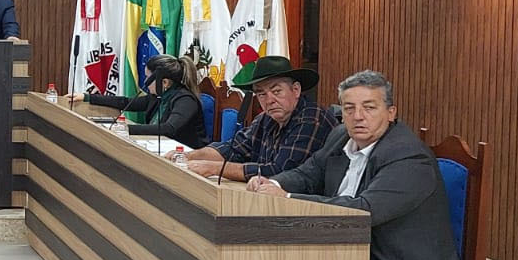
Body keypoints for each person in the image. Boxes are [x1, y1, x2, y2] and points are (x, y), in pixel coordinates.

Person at [246, 70, 463, 260]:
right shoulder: (341, 136)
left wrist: (287, 198)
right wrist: (273, 183)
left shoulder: (408, 157)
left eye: (369, 107)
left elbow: (363, 211)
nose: (358, 116)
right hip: (350, 252)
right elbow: (308, 173)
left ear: (391, 112)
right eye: (349, 108)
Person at [175, 55, 339, 181]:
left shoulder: (311, 119)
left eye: (276, 91)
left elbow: (280, 172)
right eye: (261, 94)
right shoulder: (266, 118)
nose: (269, 100)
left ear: (295, 90)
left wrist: (214, 168)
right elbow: (233, 149)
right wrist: (188, 156)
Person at [70, 53, 209, 148]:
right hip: (159, 148)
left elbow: (169, 129)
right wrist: (87, 97)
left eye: (148, 78)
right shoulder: (157, 96)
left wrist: (125, 129)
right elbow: (125, 102)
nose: (145, 82)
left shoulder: (185, 100)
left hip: (188, 157)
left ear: (165, 83)